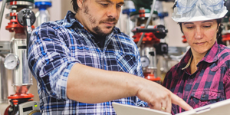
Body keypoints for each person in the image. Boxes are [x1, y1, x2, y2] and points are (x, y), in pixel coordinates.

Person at [28, 0, 192, 114]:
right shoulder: (49, 34)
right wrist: (138, 85)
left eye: (118, 5)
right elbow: (62, 80)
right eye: (104, 3)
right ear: (80, 1)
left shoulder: (126, 44)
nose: (113, 13)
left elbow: (138, 106)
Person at [163, 0, 230, 114]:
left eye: (206, 26)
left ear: (218, 26)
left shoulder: (227, 64)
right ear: (182, 28)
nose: (198, 35)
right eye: (190, 27)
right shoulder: (173, 75)